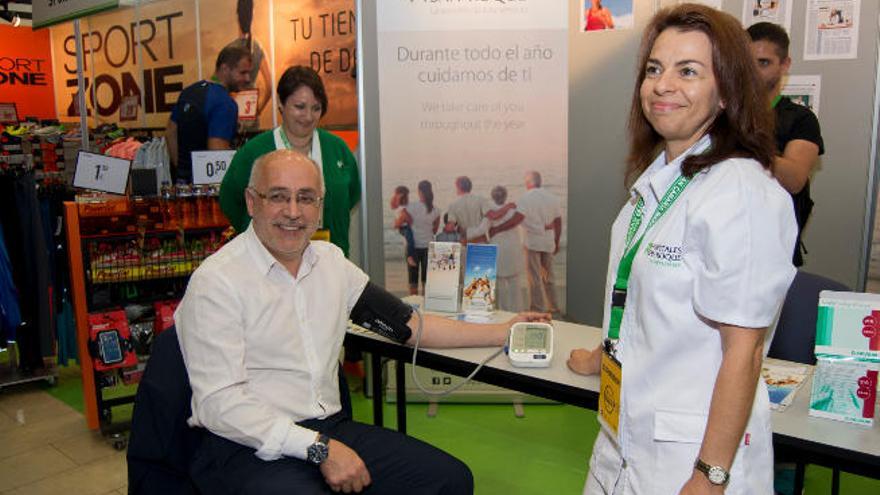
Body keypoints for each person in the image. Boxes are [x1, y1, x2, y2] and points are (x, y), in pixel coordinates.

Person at [177, 150, 548, 494]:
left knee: (450, 481)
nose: (293, 211)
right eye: (278, 196)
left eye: (306, 198)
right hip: (249, 445)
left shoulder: (330, 263)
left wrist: (504, 330)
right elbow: (219, 405)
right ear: (251, 202)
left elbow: (410, 326)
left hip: (328, 428)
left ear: (320, 208)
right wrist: (319, 449)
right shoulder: (218, 281)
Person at [567, 5, 796, 494]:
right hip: (621, 441)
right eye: (654, 68)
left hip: (691, 461)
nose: (662, 84)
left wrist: (710, 477)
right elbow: (643, 311)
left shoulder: (741, 192)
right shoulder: (654, 186)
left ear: (726, 91)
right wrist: (601, 355)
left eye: (688, 71)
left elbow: (746, 350)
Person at [220, 65, 360, 257]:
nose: (308, 116)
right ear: (281, 103)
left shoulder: (337, 149)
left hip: (330, 259)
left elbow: (351, 195)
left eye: (316, 108)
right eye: (300, 107)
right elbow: (231, 200)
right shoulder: (254, 152)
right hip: (268, 261)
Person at [748, 22, 825, 267]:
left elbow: (794, 179)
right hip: (723, 244)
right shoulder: (721, 115)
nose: (753, 71)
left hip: (774, 254)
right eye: (748, 63)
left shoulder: (800, 119)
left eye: (763, 62)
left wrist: (743, 143)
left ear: (785, 65)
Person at [166, 45, 252, 184]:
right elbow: (217, 149)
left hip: (183, 184)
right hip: (208, 192)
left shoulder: (189, 92)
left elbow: (170, 131)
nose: (248, 78)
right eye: (242, 73)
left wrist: (183, 169)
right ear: (225, 69)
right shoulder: (225, 103)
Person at [467, 186, 526, 312]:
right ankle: (517, 310)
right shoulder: (513, 211)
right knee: (514, 281)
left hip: (499, 249)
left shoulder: (491, 212)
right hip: (514, 249)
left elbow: (481, 230)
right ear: (505, 196)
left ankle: (504, 311)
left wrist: (465, 233)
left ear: (493, 197)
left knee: (500, 282)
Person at [514, 171, 562, 314]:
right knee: (549, 276)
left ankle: (537, 308)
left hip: (532, 243)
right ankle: (553, 306)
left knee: (534, 277)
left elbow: (520, 219)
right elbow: (558, 222)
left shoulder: (525, 198)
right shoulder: (552, 198)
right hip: (548, 242)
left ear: (528, 183)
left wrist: (537, 228)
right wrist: (557, 241)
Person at [224, 0, 272, 125]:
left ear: (237, 14)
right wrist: (258, 110)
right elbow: (270, 86)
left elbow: (217, 84)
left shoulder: (229, 50)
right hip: (251, 117)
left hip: (233, 117)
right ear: (253, 14)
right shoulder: (258, 48)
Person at [398, 180, 441, 295]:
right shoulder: (436, 210)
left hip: (414, 248)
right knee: (427, 281)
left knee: (413, 281)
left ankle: (414, 307)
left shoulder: (411, 207)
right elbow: (435, 230)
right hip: (429, 246)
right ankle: (426, 307)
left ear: (419, 192)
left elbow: (399, 223)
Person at [391, 185, 417, 267]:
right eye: (406, 196)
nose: (408, 198)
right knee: (411, 241)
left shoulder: (398, 207)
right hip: (405, 227)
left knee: (410, 241)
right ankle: (410, 257)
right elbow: (408, 220)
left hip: (403, 227)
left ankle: (410, 256)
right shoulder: (402, 209)